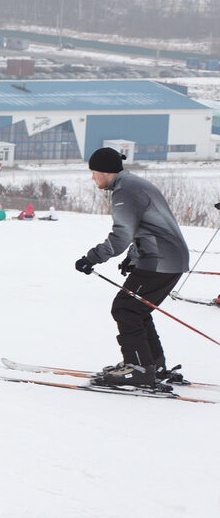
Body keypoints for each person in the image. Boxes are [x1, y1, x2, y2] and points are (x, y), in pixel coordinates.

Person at [75, 147, 191, 388]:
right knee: (136, 309)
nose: (92, 177)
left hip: (161, 260)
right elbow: (147, 227)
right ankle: (153, 366)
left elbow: (122, 234)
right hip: (165, 258)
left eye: (94, 172)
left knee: (126, 308)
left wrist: (92, 258)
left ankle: (138, 369)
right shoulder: (132, 184)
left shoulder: (125, 190)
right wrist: (134, 257)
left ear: (105, 171)